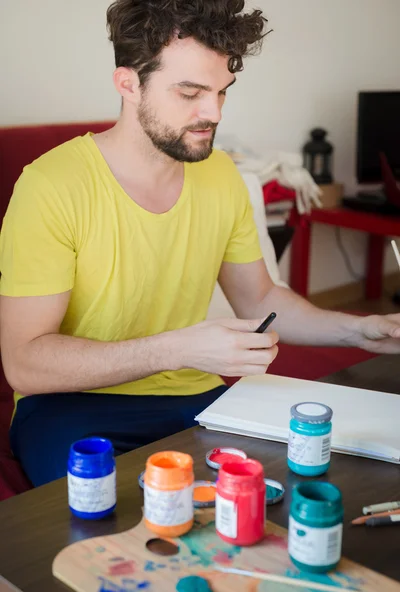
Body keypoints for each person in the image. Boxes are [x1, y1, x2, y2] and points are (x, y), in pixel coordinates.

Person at [1, 0, 400, 488]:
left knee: (308, 486)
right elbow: (24, 363)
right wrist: (177, 349)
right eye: (190, 92)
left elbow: (259, 298)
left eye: (221, 92)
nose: (212, 113)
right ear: (128, 84)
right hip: (70, 406)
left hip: (196, 397)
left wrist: (359, 331)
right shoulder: (51, 185)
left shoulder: (220, 173)